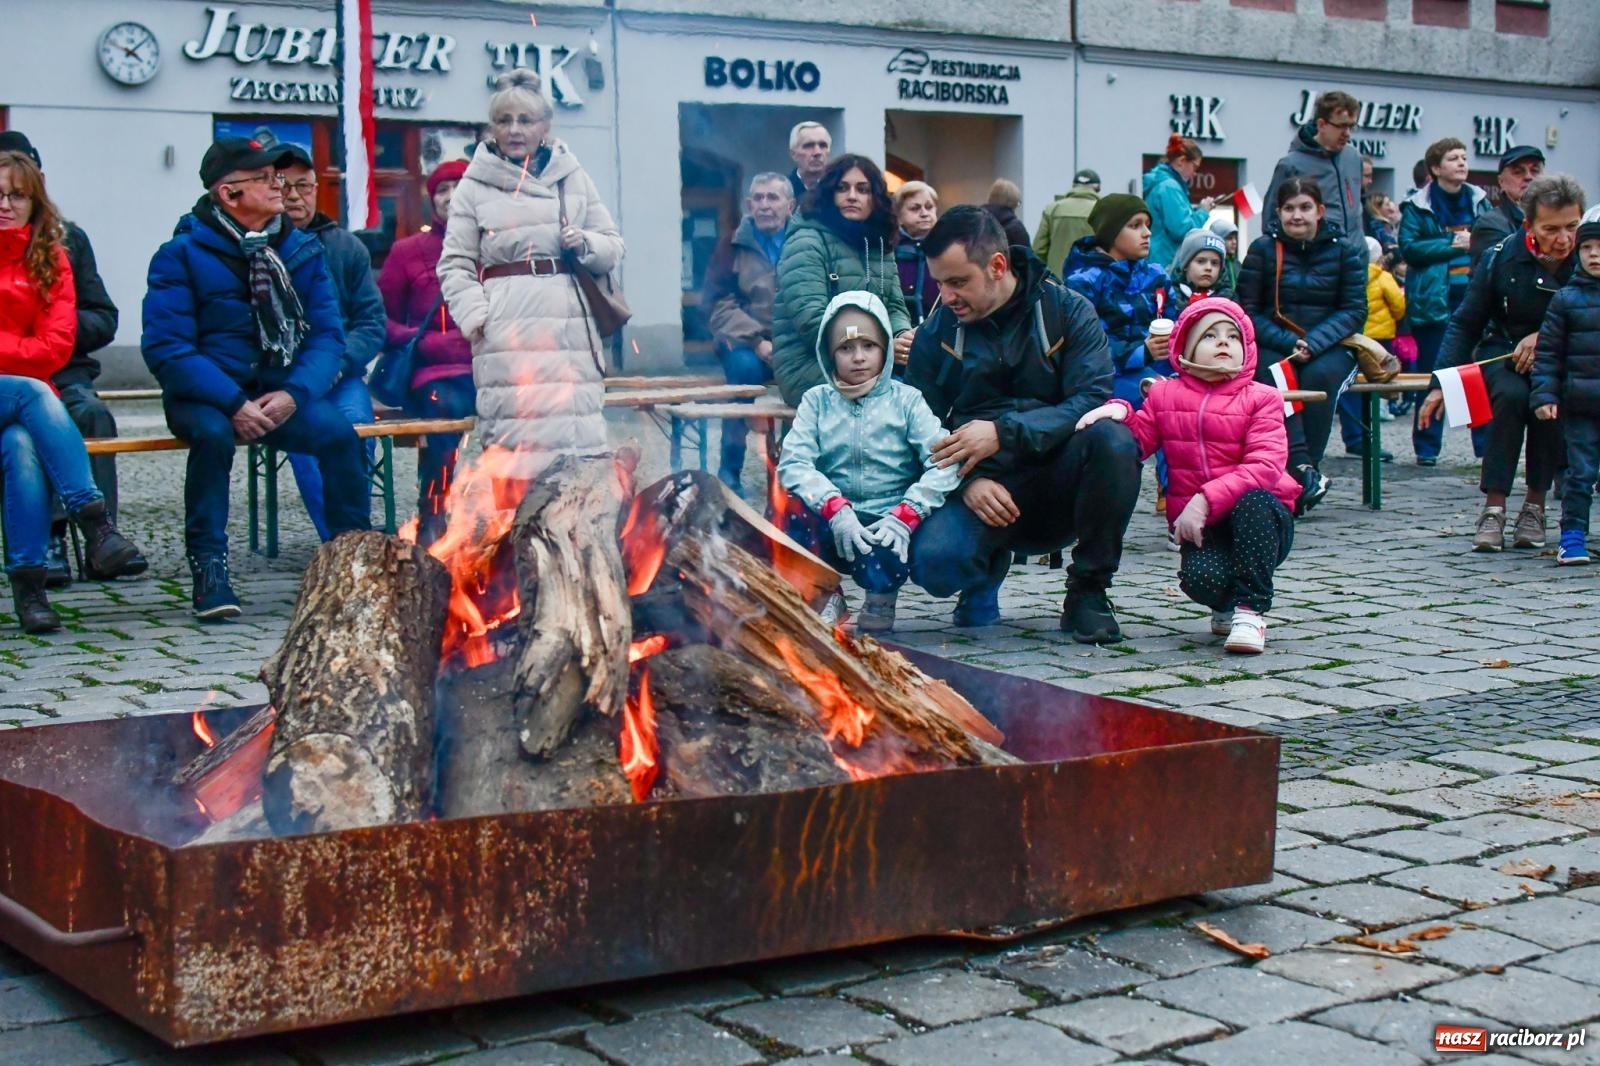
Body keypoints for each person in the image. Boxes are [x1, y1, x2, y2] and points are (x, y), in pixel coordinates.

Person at [142, 137, 371, 619]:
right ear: (229, 194)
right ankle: (210, 570)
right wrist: (230, 402)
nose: (280, 185)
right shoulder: (179, 254)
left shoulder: (301, 249)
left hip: (276, 392)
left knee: (339, 436)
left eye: (280, 175)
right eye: (267, 177)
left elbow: (328, 337)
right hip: (206, 394)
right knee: (212, 435)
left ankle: (354, 561)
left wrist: (294, 393)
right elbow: (168, 348)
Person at [906, 206, 1140, 643]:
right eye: (939, 282)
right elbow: (916, 423)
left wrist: (1003, 432)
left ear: (997, 266)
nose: (947, 295)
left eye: (958, 282)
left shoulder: (1068, 311)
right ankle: (984, 570)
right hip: (982, 489)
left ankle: (1087, 594)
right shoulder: (936, 332)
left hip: (1059, 480)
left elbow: (1091, 399)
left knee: (1114, 439)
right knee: (933, 565)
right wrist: (965, 482)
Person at [1075, 298, 1299, 653]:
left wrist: (1204, 499)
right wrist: (1118, 410)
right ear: (1187, 347)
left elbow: (1266, 466)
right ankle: (1225, 603)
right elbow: (1140, 440)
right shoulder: (1165, 394)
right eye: (1210, 335)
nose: (1224, 342)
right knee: (1199, 579)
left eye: (1233, 336)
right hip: (1203, 527)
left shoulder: (1262, 398)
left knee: (1254, 502)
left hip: (1261, 519)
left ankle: (1250, 611)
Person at [437, 69, 625, 483]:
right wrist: (479, 319)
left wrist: (586, 244)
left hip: (569, 326)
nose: (515, 130)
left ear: (545, 126)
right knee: (516, 446)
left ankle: (575, 534)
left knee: (575, 447)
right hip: (508, 328)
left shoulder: (572, 175)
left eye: (525, 120)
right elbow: (454, 263)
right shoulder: (474, 184)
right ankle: (518, 540)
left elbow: (613, 244)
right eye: (504, 121)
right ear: (492, 127)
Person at [0, 151, 144, 633]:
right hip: (30, 392)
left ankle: (31, 588)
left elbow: (56, 349)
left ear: (35, 201)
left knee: (21, 444)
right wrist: (23, 351)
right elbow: (37, 355)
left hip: (23, 394)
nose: (5, 205)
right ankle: (94, 522)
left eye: (16, 196)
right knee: (33, 393)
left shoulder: (52, 258)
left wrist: (13, 354)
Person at [1419, 174, 1587, 552]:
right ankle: (1494, 505)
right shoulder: (1502, 257)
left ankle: (1535, 504)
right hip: (1505, 354)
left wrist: (1545, 336)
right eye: (1551, 229)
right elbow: (1465, 322)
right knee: (1511, 397)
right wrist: (1439, 384)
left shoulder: (1588, 258)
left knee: (1548, 404)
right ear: (1529, 226)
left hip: (1566, 357)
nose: (1563, 240)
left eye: (1571, 227)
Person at [777, 291, 959, 632]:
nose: (858, 358)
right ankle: (824, 594)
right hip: (834, 516)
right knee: (790, 515)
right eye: (845, 349)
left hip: (888, 518)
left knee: (886, 556)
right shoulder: (816, 402)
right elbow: (794, 462)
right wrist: (834, 507)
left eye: (869, 346)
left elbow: (945, 461)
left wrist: (907, 514)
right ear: (829, 354)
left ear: (886, 349)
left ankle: (880, 596)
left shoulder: (907, 401)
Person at [1236, 177, 1367, 513]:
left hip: (1333, 344)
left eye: (1305, 207)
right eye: (1289, 208)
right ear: (1278, 212)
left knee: (1318, 378)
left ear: (1320, 211)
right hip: (1276, 342)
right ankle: (1303, 469)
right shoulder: (1263, 250)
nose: (1297, 215)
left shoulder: (1345, 250)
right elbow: (1248, 310)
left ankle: (1307, 468)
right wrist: (1288, 341)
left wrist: (1315, 342)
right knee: (1273, 374)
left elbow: (1354, 310)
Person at [277, 145, 384, 542]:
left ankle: (355, 539)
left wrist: (339, 363)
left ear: (317, 189)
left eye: (303, 186)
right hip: (286, 379)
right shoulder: (256, 249)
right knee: (310, 441)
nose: (293, 196)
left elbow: (371, 323)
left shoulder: (345, 247)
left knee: (356, 436)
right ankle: (338, 544)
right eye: (283, 186)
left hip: (341, 374)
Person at [378, 159, 473, 548]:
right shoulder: (408, 252)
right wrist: (420, 340)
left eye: (459, 187)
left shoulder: (500, 249)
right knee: (442, 412)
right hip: (434, 374)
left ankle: (521, 508)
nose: (450, 197)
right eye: (442, 190)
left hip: (491, 368)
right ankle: (433, 511)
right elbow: (378, 319)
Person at [771, 154, 911, 405]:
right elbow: (811, 320)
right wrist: (881, 347)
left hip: (868, 359)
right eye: (842, 188)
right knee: (894, 400)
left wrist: (901, 337)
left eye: (863, 189)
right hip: (809, 363)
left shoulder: (880, 243)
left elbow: (895, 307)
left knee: (927, 390)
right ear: (829, 194)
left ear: (875, 197)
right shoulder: (806, 240)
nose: (852, 196)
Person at [700, 172, 793, 490]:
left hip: (793, 340)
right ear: (749, 204)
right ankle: (730, 470)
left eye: (773, 197)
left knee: (807, 385)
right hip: (744, 341)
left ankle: (792, 473)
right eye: (759, 198)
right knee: (743, 373)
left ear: (789, 205)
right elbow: (716, 305)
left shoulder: (804, 244)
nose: (765, 205)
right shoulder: (731, 244)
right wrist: (758, 342)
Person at [1400, 137, 1489, 466]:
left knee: (1474, 371)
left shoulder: (1479, 202)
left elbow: (1492, 240)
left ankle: (1483, 446)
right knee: (1434, 372)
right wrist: (1454, 243)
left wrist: (1473, 241)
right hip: (1432, 301)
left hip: (1474, 295)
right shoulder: (1417, 205)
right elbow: (1410, 248)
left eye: (1464, 157)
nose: (1462, 163)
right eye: (1454, 158)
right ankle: (1426, 447)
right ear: (1436, 168)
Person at [1531, 220, 1600, 565]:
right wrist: (1545, 395)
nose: (1595, 255)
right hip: (1580, 405)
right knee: (1581, 472)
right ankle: (1572, 536)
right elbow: (1548, 354)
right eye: (1587, 248)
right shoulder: (1565, 299)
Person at [1063, 194, 1172, 407]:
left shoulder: (1157, 276)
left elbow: (1176, 321)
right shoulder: (1082, 282)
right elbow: (1082, 348)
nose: (1147, 233)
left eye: (1148, 225)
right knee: (1162, 403)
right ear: (1111, 233)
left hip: (1163, 373)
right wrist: (1142, 352)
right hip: (1108, 381)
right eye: (1135, 225)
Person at [1264, 91, 1365, 240]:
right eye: (1342, 126)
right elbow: (1271, 220)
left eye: (1351, 126)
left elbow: (1357, 211)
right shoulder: (1290, 165)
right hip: (1314, 258)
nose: (1347, 133)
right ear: (1321, 124)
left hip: (1354, 255)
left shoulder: (1354, 158)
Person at [1143, 135, 1217, 268]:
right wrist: (1203, 212)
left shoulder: (1161, 183)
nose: (1195, 173)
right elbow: (1183, 231)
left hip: (1157, 260)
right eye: (1195, 167)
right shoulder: (1170, 187)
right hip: (1166, 263)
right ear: (1181, 161)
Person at [1470, 145, 1545, 268]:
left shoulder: (1559, 219)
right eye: (1518, 172)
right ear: (1501, 182)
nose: (1528, 177)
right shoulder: (1490, 224)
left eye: (1535, 171)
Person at [1033, 169, 1100, 278]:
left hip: (1058, 282)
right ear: (1097, 188)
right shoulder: (1103, 210)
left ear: (1073, 186)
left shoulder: (1052, 209)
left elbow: (1039, 250)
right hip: (1094, 282)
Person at [892, 180, 940, 323]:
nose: (924, 213)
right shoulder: (889, 248)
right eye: (915, 208)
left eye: (929, 207)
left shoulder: (948, 245)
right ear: (899, 216)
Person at [1170, 228, 1235, 311]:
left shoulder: (1229, 299)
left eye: (1214, 263)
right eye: (1201, 261)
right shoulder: (1170, 297)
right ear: (1186, 265)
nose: (1208, 268)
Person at [786, 122, 832, 202]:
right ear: (793, 154)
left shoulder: (839, 188)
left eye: (823, 145)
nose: (817, 152)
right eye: (808, 146)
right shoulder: (782, 190)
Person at [983, 179, 1031, 250]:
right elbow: (1026, 258)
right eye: (1018, 203)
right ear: (1013, 202)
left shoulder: (978, 222)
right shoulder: (1016, 229)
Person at [1209, 218, 1242, 293]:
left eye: (1235, 238)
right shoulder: (1213, 265)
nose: (1234, 242)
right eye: (1229, 238)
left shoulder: (1237, 264)